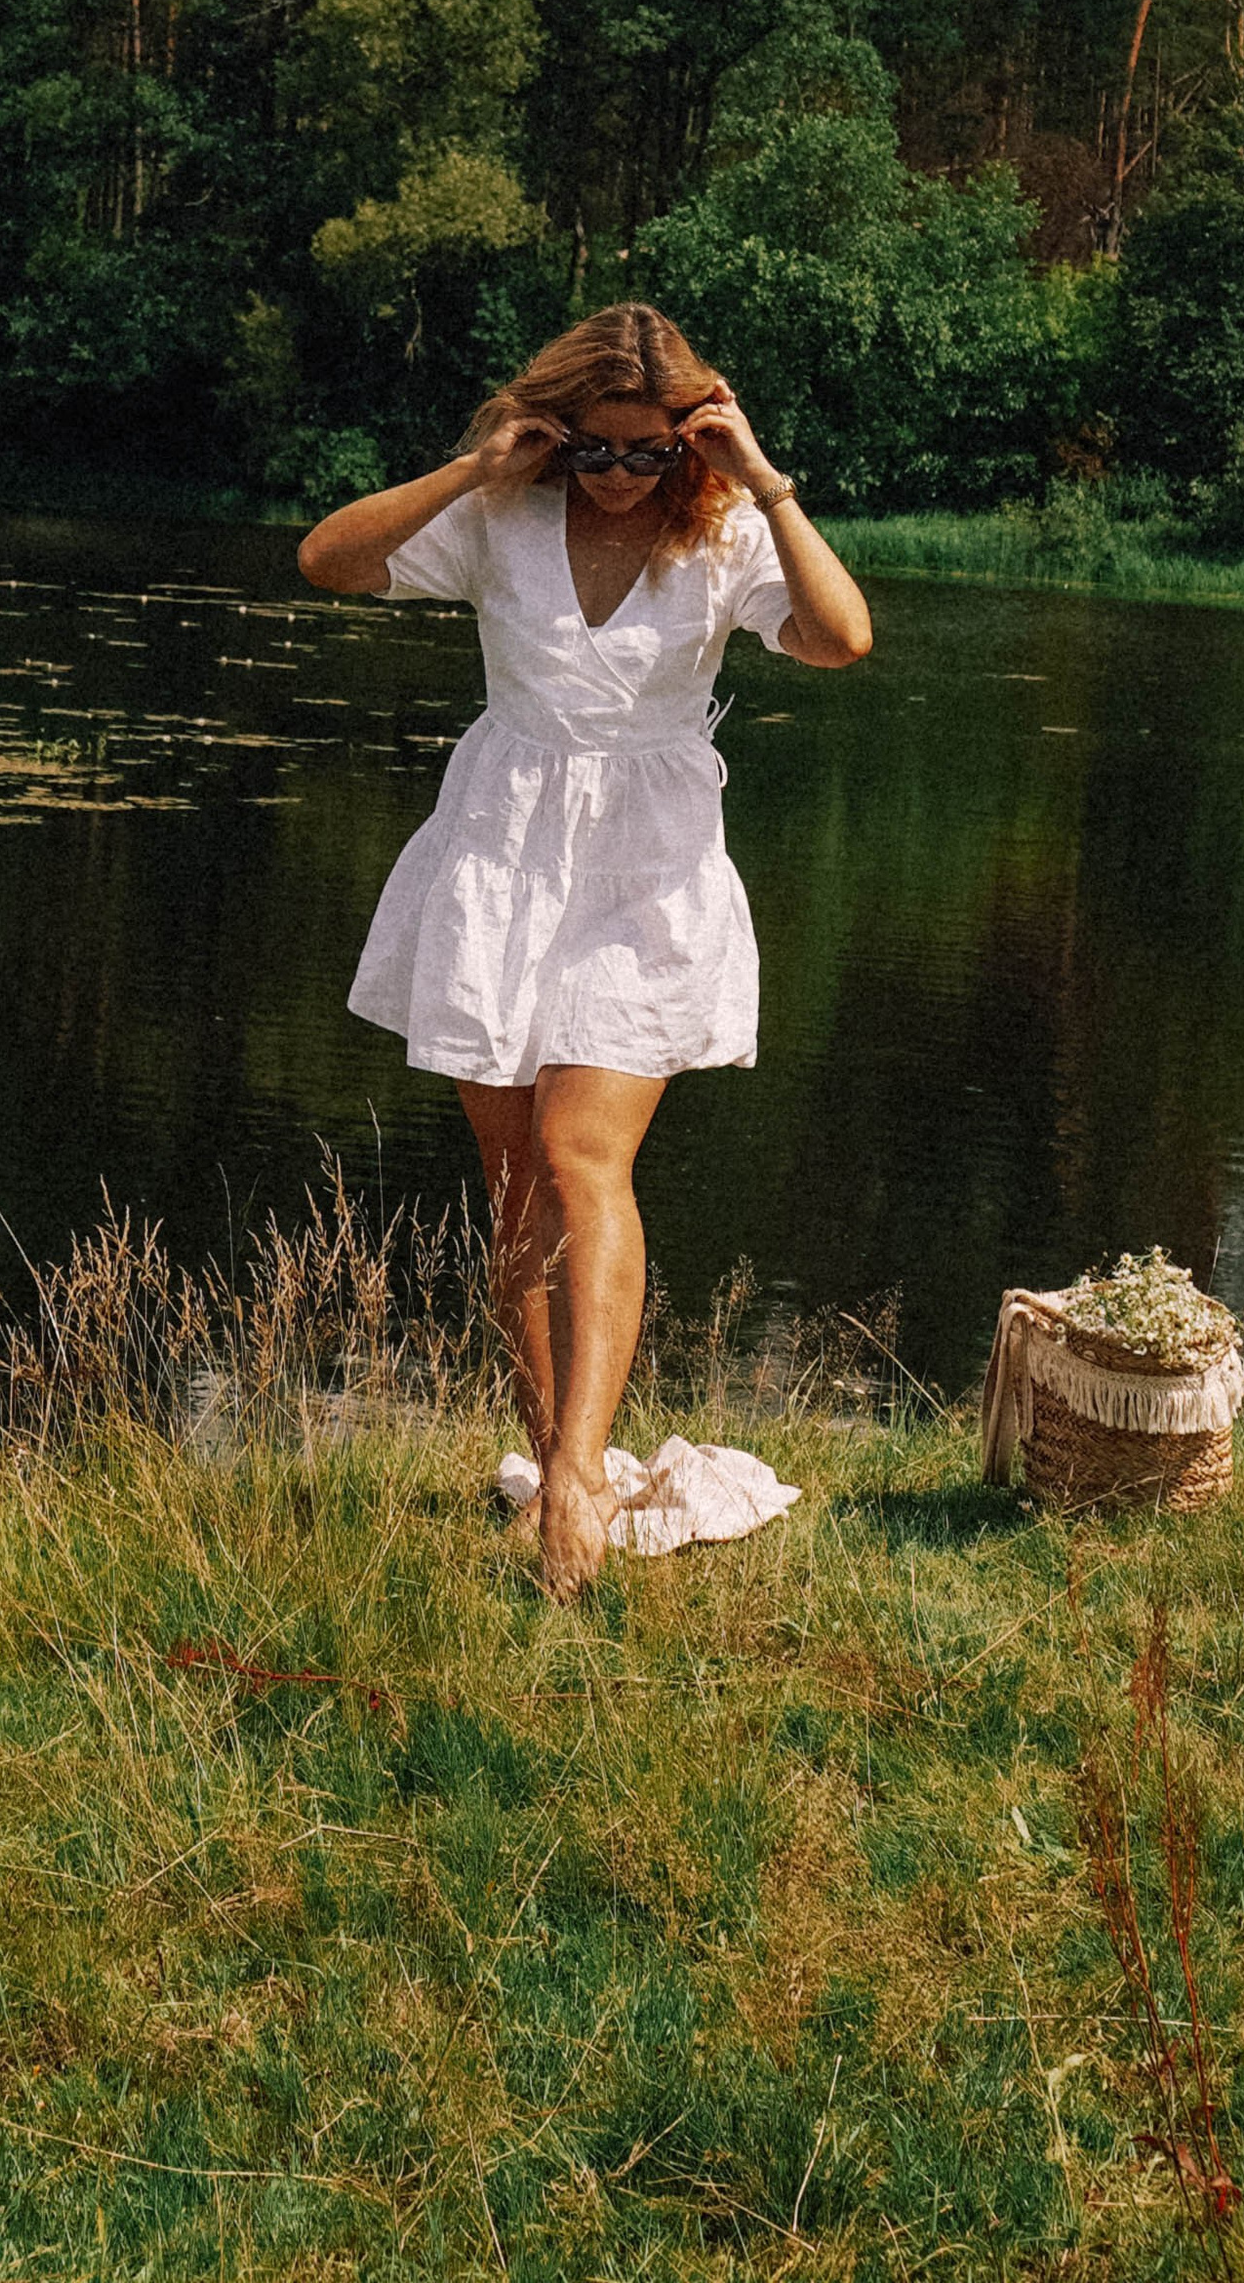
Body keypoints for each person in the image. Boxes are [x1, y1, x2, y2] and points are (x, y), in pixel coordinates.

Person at [296, 302, 872, 1596]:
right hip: (499, 858)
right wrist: (473, 466)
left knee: (578, 1154)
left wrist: (766, 484)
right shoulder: (499, 516)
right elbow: (327, 562)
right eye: (596, 451)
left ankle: (573, 1479)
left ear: (691, 442)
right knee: (514, 1185)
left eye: (649, 452)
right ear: (554, 434)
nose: (619, 477)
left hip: (649, 873)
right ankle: (567, 1457)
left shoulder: (725, 533)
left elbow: (842, 641)